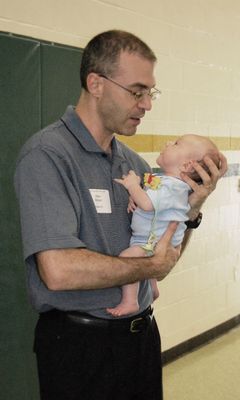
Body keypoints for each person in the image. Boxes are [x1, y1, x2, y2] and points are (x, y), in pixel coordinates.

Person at [14, 30, 227, 400]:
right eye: (137, 91)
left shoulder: (135, 164)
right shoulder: (47, 156)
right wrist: (149, 269)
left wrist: (191, 209)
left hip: (140, 339)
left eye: (151, 93)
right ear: (96, 84)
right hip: (79, 348)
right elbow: (59, 271)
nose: (147, 104)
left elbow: (164, 255)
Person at [106, 134, 220, 317]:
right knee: (146, 264)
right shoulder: (166, 182)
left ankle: (130, 301)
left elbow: (147, 204)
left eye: (176, 144)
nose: (168, 143)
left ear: (186, 166)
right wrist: (133, 198)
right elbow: (148, 198)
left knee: (127, 258)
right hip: (153, 237)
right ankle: (152, 287)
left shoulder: (172, 187)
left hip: (152, 241)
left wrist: (132, 186)